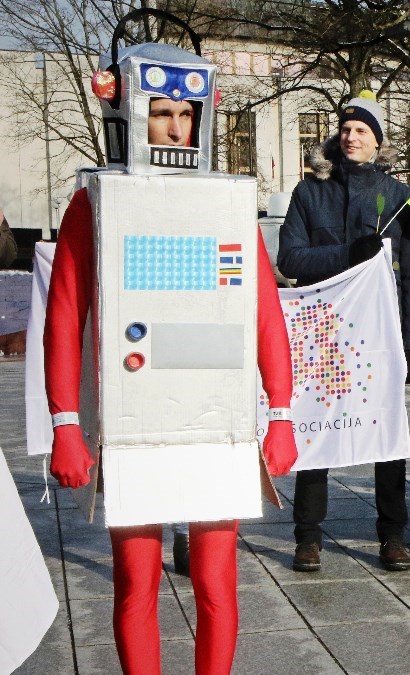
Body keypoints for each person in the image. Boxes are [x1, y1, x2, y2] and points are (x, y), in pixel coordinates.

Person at [45, 21, 297, 673]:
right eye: (161, 113)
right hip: (135, 425)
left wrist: (282, 409)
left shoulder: (227, 202)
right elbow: (65, 314)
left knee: (216, 584)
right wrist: (66, 422)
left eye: (187, 114)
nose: (175, 127)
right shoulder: (95, 202)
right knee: (137, 584)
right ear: (132, 112)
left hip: (215, 421)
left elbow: (264, 310)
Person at [278, 91, 410, 573]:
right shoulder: (309, 193)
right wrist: (349, 253)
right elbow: (290, 259)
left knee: (385, 433)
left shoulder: (401, 198)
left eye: (362, 130)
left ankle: (392, 535)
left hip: (378, 335)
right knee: (313, 430)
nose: (351, 136)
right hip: (321, 331)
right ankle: (308, 537)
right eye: (345, 129)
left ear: (377, 141)